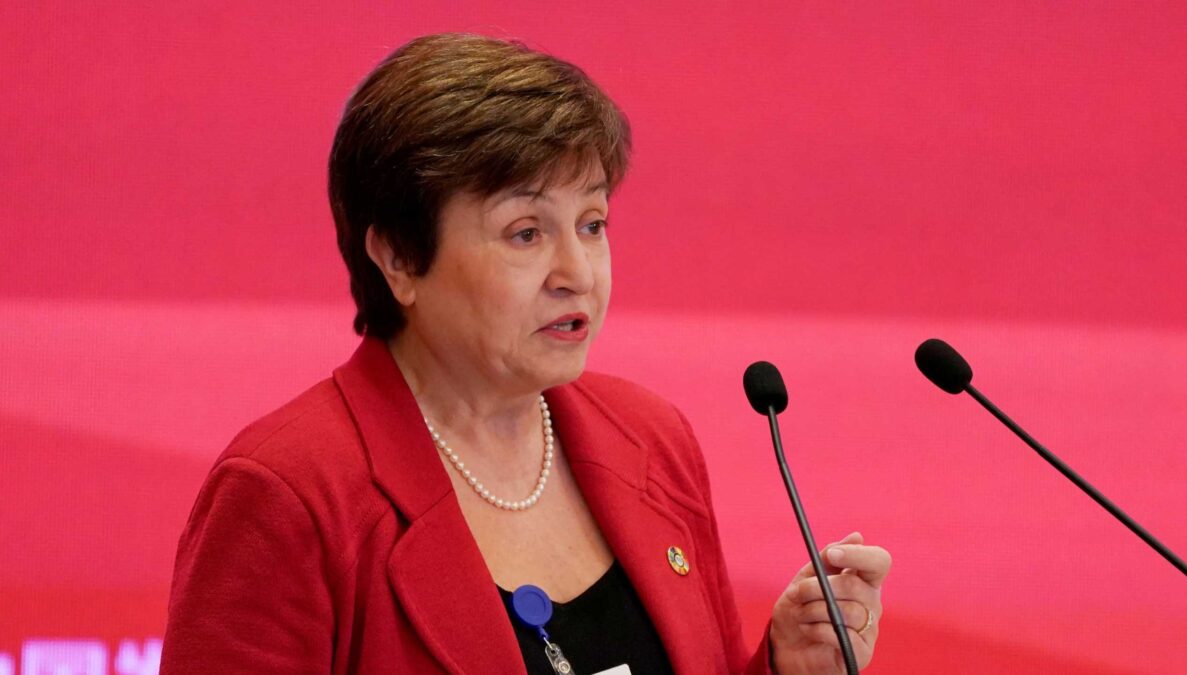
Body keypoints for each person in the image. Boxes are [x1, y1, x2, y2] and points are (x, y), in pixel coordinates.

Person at [160, 32, 891, 674]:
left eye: (594, 222)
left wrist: (789, 669)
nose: (578, 271)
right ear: (399, 258)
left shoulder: (650, 440)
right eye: (526, 232)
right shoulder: (291, 491)